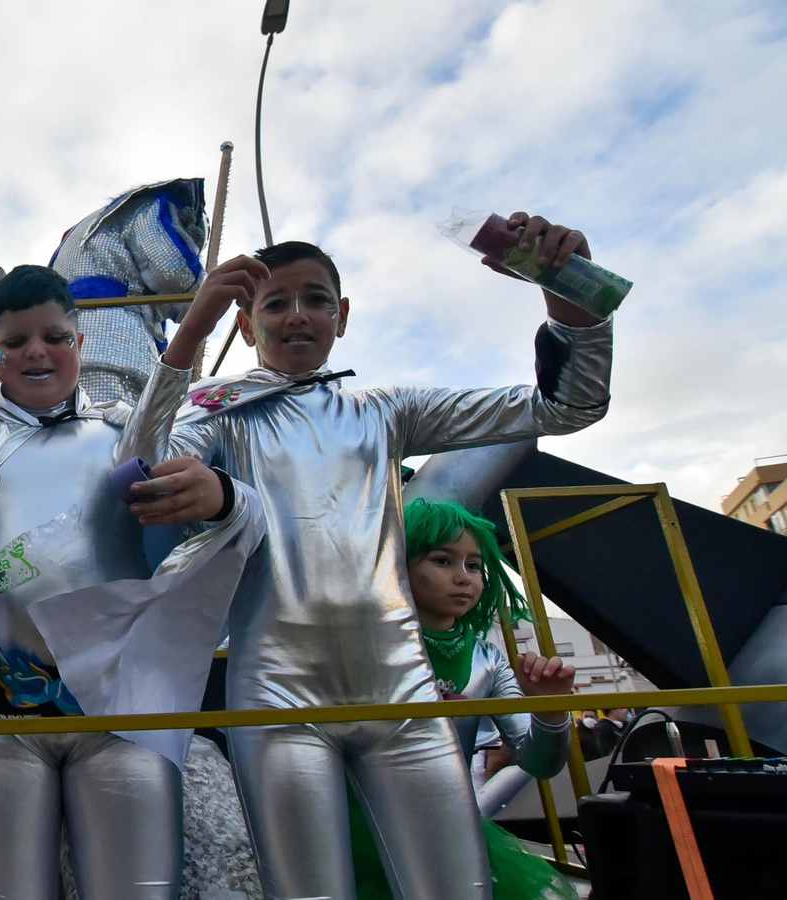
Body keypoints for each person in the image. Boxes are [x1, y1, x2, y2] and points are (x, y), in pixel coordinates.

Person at [121, 213, 613, 899]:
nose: (298, 316)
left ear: (343, 315)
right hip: (277, 697)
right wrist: (190, 334)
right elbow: (135, 472)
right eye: (275, 302)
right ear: (246, 318)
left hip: (402, 692)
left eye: (316, 299)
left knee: (458, 889)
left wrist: (570, 296)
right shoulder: (220, 409)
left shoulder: (383, 410)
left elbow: (567, 407)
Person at [0, 265, 261, 900]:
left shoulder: (122, 434)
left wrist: (223, 496)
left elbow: (206, 511)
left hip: (123, 711)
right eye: (15, 341)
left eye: (54, 336)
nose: (36, 351)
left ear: (80, 344)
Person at [346, 498, 578, 900]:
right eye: (442, 560)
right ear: (396, 564)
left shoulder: (488, 660)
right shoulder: (358, 644)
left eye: (474, 565)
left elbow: (539, 762)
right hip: (355, 828)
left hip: (448, 828)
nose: (463, 577)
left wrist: (551, 710)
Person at [48, 178, 207, 405]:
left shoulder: (91, 228)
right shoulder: (149, 206)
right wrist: (196, 265)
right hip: (118, 348)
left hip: (61, 352)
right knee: (117, 433)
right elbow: (173, 273)